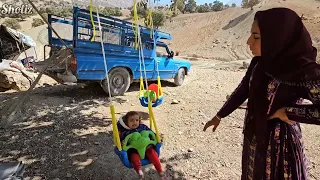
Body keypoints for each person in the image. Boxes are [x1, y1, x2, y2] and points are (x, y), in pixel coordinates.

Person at [203, 7, 320, 180]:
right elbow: (243, 89)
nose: (249, 42)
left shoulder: (304, 70)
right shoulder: (258, 63)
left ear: (277, 38)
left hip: (280, 147)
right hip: (253, 137)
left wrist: (287, 112)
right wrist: (220, 115)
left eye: (256, 37)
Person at [117, 111, 166, 180]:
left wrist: (157, 137)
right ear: (126, 122)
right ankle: (139, 171)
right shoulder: (125, 132)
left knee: (152, 152)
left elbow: (151, 134)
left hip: (147, 148)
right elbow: (122, 141)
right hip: (134, 151)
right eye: (131, 120)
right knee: (133, 157)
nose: (135, 122)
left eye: (137, 120)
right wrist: (122, 143)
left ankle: (160, 170)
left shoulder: (143, 127)